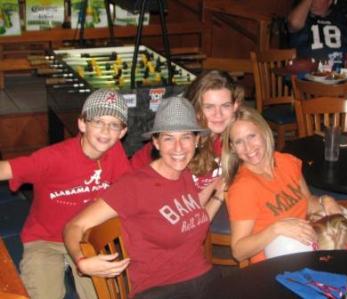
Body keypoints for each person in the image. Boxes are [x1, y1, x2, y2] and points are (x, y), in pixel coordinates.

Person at [64, 96, 226, 299]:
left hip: (204, 279)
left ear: (197, 141)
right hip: (158, 290)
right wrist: (81, 262)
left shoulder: (185, 174)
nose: (178, 147)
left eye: (185, 137)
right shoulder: (134, 186)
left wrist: (218, 194)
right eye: (168, 138)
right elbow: (74, 226)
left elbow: (194, 218)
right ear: (156, 143)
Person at [0, 88, 130, 299]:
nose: (105, 131)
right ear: (82, 123)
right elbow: (6, 169)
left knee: (108, 294)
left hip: (88, 237)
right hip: (44, 240)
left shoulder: (115, 153)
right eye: (98, 121)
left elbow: (128, 190)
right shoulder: (53, 158)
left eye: (114, 124)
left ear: (122, 132)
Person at [221, 106, 343, 264]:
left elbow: (307, 202)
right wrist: (276, 229)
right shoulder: (243, 188)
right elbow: (238, 251)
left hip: (309, 250)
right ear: (233, 148)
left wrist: (324, 201)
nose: (248, 147)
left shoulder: (287, 162)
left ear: (264, 132)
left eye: (252, 136)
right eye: (239, 142)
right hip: (273, 266)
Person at [130, 70, 243, 190]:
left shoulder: (237, 137)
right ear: (196, 109)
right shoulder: (178, 144)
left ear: (235, 106)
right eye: (209, 107)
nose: (218, 114)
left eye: (225, 106)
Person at [287, 0, 347, 68]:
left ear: (329, 2)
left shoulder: (342, 20)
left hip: (339, 74)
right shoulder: (302, 18)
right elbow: (294, 23)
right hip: (307, 75)